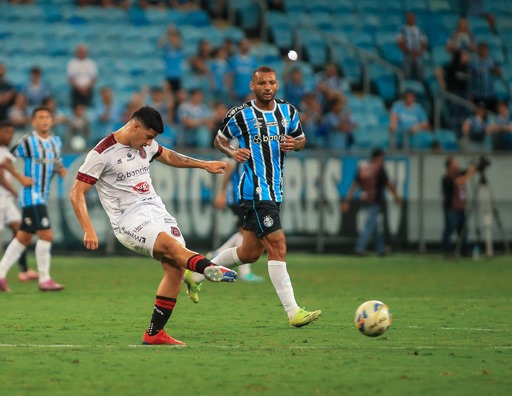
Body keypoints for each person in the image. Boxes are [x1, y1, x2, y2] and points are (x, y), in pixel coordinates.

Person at [69, 106, 237, 346]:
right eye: (149, 136)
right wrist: (88, 228)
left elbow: (169, 156)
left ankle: (155, 333)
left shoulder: (146, 145)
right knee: (171, 247)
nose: (150, 143)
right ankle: (207, 268)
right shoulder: (102, 153)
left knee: (175, 268)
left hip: (156, 210)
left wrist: (204, 165)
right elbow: (77, 193)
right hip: (128, 220)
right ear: (135, 126)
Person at [184, 66, 321, 328]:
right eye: (262, 83)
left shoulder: (288, 111)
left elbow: (301, 138)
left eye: (271, 82)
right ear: (252, 86)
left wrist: (295, 144)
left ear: (277, 85)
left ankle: (196, 275)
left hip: (276, 189)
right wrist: (232, 153)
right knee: (278, 245)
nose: (267, 87)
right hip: (255, 191)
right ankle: (293, 312)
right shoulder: (241, 114)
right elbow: (219, 140)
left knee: (248, 254)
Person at [0, 106, 66, 293]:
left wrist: (60, 169)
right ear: (33, 121)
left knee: (24, 237)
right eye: (40, 117)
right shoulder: (27, 141)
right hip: (31, 195)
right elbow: (5, 161)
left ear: (51, 120)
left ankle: (1, 274)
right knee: (47, 235)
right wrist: (20, 178)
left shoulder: (56, 141)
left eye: (47, 117)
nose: (44, 120)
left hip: (42, 195)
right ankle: (44, 279)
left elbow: (57, 161)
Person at [206, 157, 264, 284]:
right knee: (245, 231)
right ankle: (245, 273)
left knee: (243, 231)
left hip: (243, 195)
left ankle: (217, 253)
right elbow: (229, 166)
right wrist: (222, 193)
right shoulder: (239, 142)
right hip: (239, 196)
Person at [342, 148, 403, 256]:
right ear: (378, 157)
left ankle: (381, 248)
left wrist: (347, 200)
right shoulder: (379, 168)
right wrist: (397, 197)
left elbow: (354, 185)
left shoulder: (363, 168)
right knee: (369, 224)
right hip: (375, 200)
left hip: (364, 199)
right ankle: (360, 248)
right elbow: (389, 185)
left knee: (375, 226)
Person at [0, 120, 37, 283]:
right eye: (6, 132)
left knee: (22, 231)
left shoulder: (4, 151)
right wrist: (16, 192)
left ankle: (23, 270)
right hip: (1, 200)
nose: (9, 135)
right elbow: (0, 177)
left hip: (5, 200)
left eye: (11, 132)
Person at [441, 156, 479, 257]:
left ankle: (464, 250)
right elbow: (460, 181)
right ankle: (447, 250)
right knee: (450, 229)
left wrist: (475, 168)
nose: (457, 165)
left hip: (461, 208)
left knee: (463, 231)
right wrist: (470, 173)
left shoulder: (458, 174)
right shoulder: (447, 178)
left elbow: (467, 172)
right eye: (455, 163)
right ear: (449, 166)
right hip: (451, 208)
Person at [468, 42, 501, 112]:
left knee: (493, 114)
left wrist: (496, 70)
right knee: (478, 114)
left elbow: (499, 73)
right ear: (479, 50)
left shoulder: (491, 61)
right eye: (484, 50)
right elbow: (470, 79)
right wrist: (471, 94)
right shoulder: (474, 62)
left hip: (490, 94)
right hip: (478, 95)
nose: (486, 52)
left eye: (487, 50)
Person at [396, 11, 428, 81]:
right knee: (406, 62)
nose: (411, 19)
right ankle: (405, 82)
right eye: (409, 17)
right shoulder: (401, 29)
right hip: (407, 53)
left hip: (418, 54)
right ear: (406, 19)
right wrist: (410, 52)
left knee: (421, 63)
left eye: (413, 17)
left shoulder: (420, 30)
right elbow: (400, 43)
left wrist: (419, 52)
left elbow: (424, 43)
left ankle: (421, 82)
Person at [67, 44, 98, 108]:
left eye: (83, 51)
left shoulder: (91, 63)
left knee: (88, 109)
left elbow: (94, 78)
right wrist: (79, 88)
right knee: (75, 108)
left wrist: (86, 88)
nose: (82, 53)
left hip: (88, 90)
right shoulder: (72, 63)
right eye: (80, 51)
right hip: (76, 90)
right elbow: (70, 78)